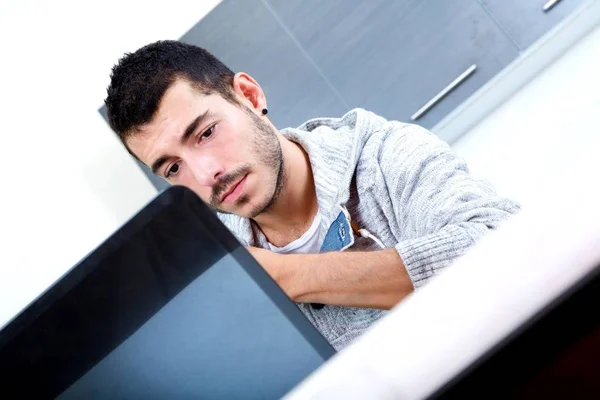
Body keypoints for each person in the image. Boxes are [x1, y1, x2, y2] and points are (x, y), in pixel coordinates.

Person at [104, 40, 519, 350]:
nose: (206, 174)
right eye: (173, 168)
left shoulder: (383, 154)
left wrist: (284, 277)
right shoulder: (212, 269)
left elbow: (505, 244)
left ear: (249, 97)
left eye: (207, 133)